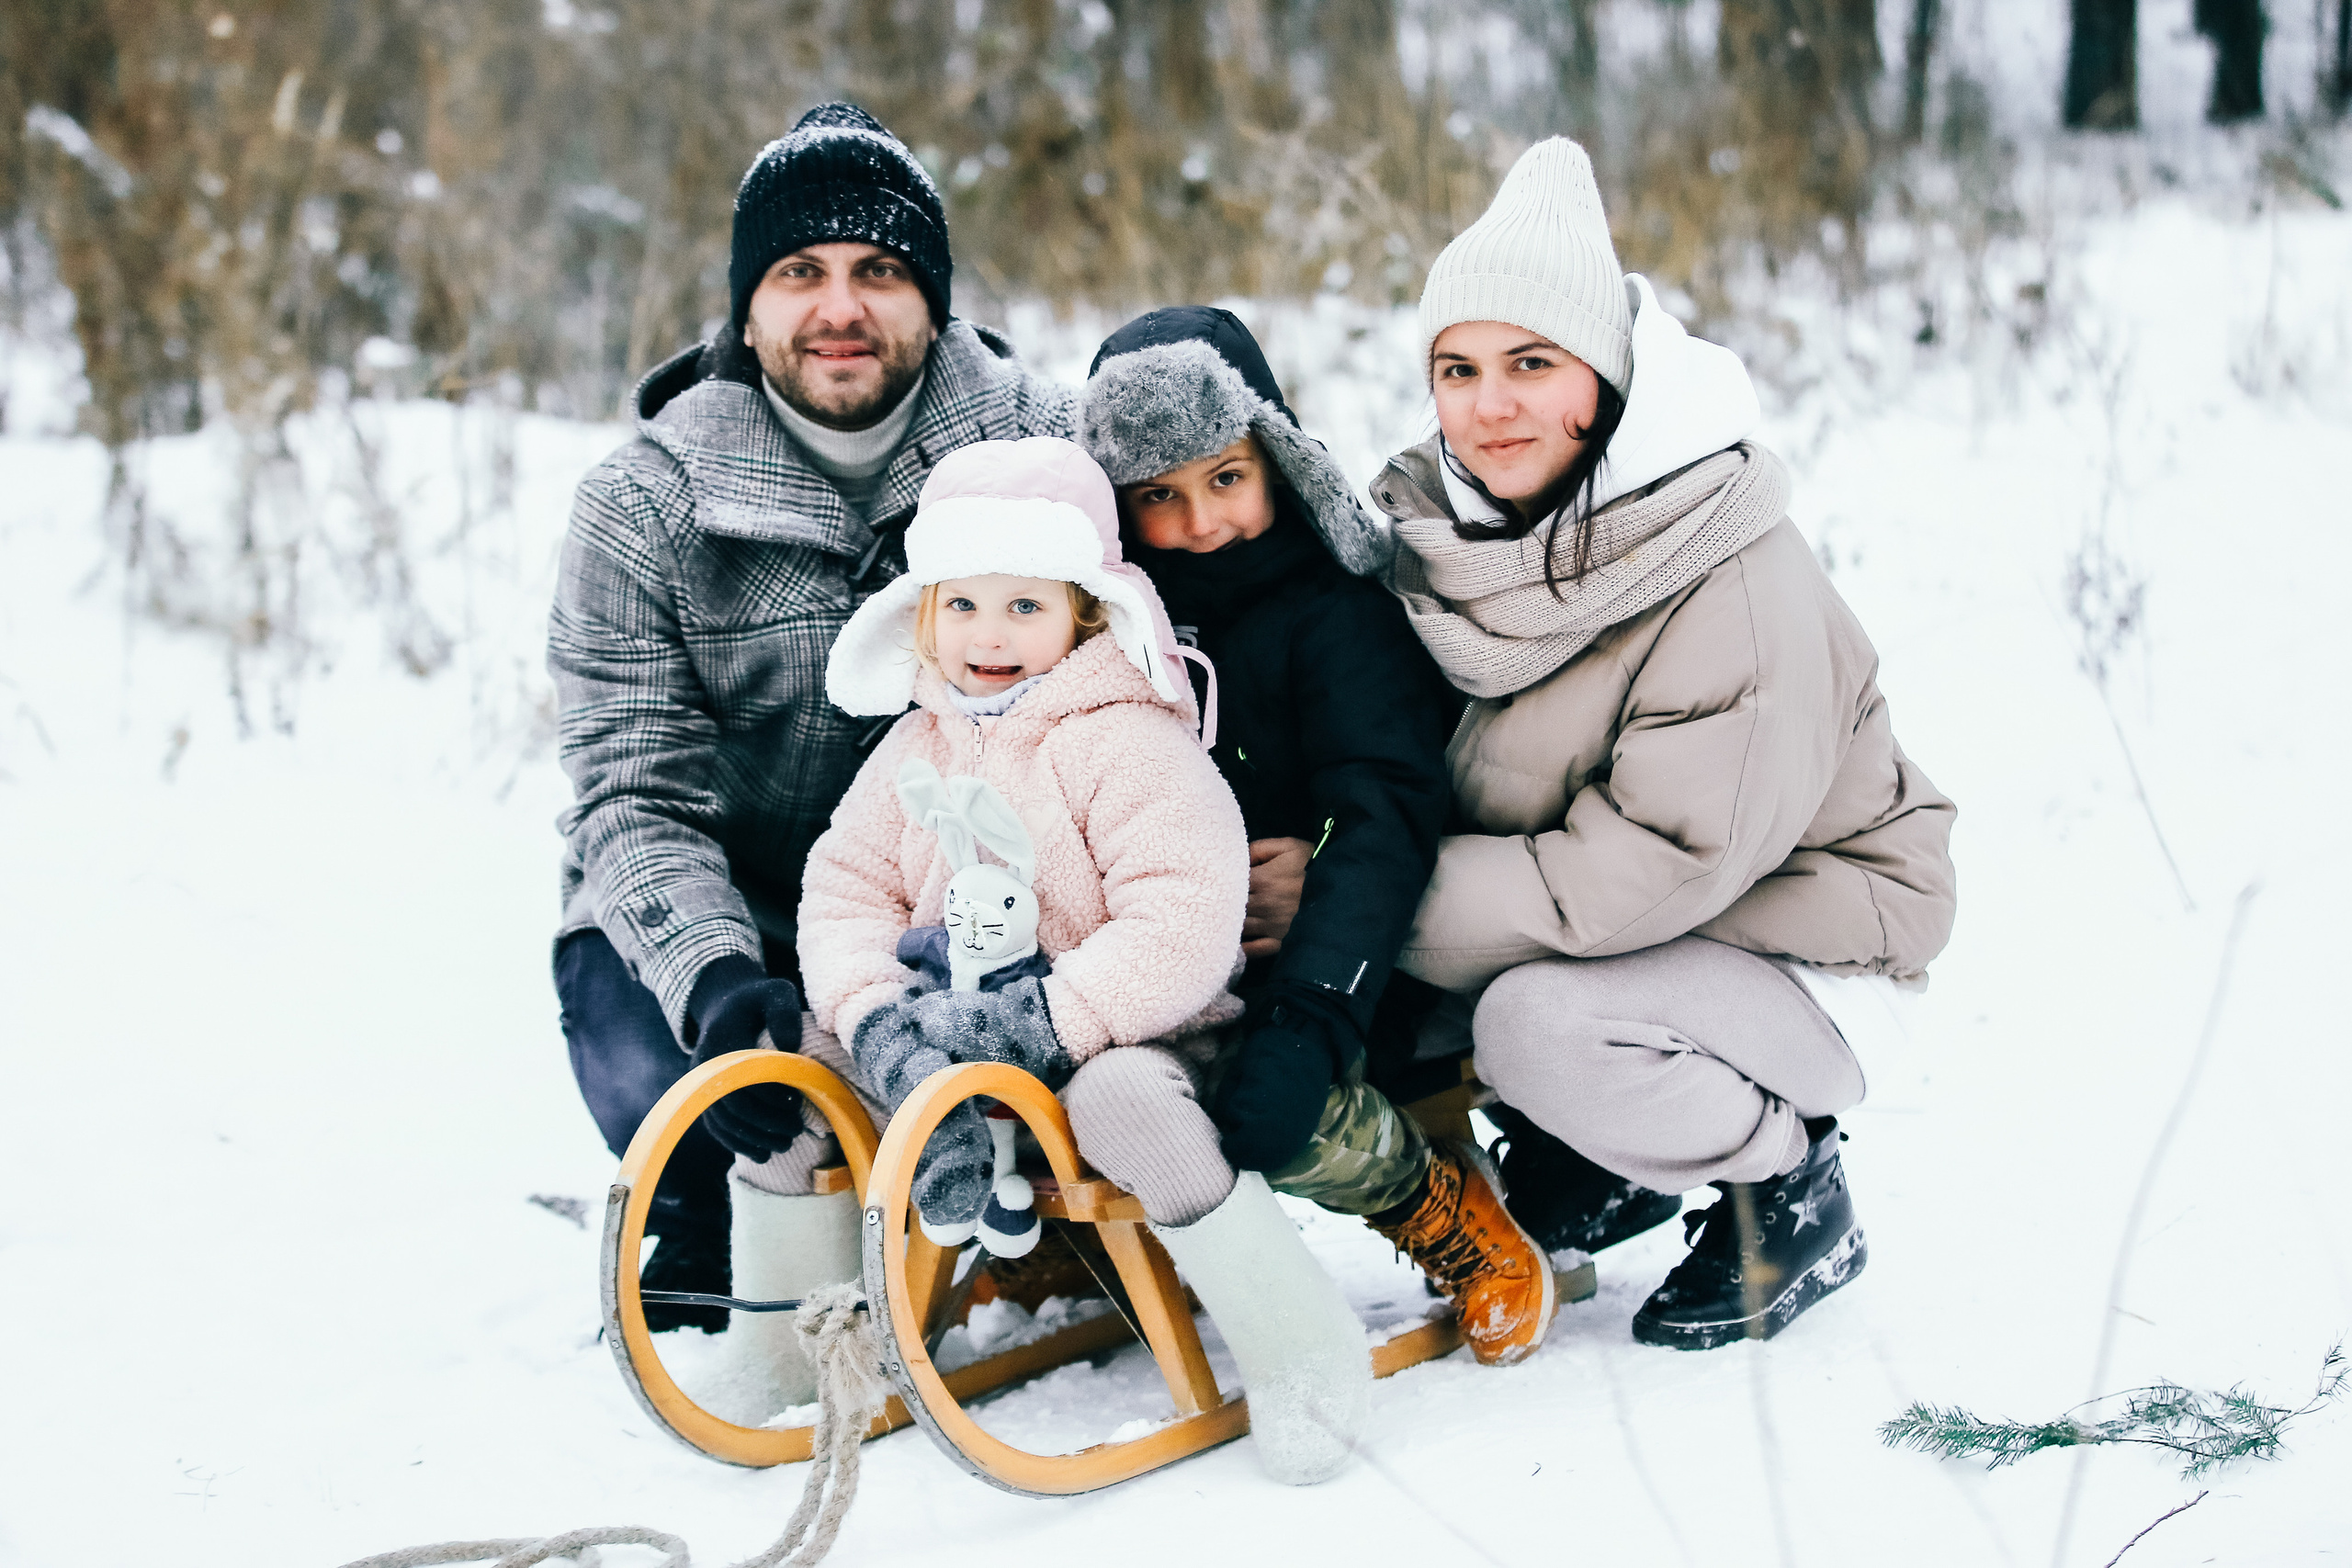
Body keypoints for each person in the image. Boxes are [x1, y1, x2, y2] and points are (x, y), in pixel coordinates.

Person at [1373, 138, 1959, 1349]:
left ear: (1609, 377)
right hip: (1657, 931)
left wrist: (1370, 893)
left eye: (1533, 363)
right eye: (1460, 368)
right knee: (1404, 991)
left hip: (1814, 948)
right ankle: (1604, 1154)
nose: (1489, 406)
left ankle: (1788, 1181)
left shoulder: (1721, 572)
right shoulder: (1462, 547)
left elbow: (1637, 868)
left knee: (1530, 1024)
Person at [548, 102, 1074, 1331]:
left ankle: (1032, 1195)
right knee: (641, 1020)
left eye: (879, 271)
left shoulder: (1044, 453)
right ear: (748, 311)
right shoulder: (642, 504)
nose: (841, 306)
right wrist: (717, 976)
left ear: (932, 303)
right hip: (753, 901)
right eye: (802, 273)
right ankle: (699, 1187)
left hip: (979, 895)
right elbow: (632, 789)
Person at [791, 436, 1371, 1484]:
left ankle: (1302, 1358)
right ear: (924, 612)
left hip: (1129, 1037)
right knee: (798, 1066)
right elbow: (843, 888)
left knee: (1126, 1104)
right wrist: (878, 1017)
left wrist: (1041, 1022)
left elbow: (1183, 923)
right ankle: (789, 1359)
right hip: (943, 1042)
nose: (989, 636)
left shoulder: (1128, 738)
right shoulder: (916, 745)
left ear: (1085, 612)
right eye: (962, 605)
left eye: (1025, 606)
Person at [1076, 308, 1557, 1368]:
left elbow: (1381, 806)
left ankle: (1434, 1197)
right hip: (1166, 953)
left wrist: (1313, 1016)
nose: (1200, 522)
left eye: (1225, 478)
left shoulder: (1335, 612)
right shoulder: (1112, 625)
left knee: (1273, 1111)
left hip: (1338, 963)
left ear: (1276, 460)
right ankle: (1088, 1251)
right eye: (1159, 495)